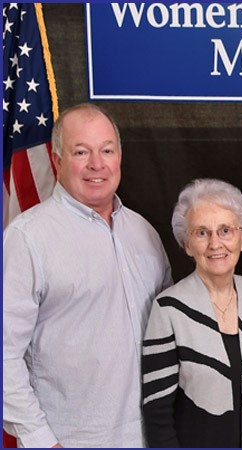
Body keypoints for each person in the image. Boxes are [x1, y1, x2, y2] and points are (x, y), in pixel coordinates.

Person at [3, 103, 173, 448]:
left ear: (119, 157)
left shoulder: (143, 233)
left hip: (147, 438)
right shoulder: (28, 238)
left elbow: (170, 334)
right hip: (69, 439)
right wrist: (41, 441)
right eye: (81, 152)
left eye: (106, 150)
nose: (97, 164)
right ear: (57, 160)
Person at [142, 178, 242, 448]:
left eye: (226, 230)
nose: (215, 243)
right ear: (187, 244)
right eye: (201, 232)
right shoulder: (168, 308)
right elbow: (157, 413)